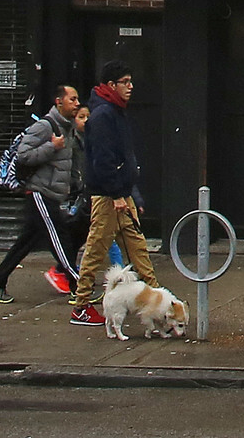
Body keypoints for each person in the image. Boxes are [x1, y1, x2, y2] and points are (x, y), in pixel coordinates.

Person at [69, 62, 163, 325]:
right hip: (108, 197)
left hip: (121, 194)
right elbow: (103, 161)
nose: (131, 86)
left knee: (137, 247)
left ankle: (156, 296)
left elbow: (122, 159)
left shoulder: (115, 112)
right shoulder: (103, 116)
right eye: (125, 81)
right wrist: (117, 194)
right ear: (112, 85)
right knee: (97, 248)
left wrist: (130, 193)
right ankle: (82, 305)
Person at [0, 83, 88, 302]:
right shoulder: (46, 127)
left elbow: (67, 164)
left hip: (52, 194)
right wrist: (51, 147)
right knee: (61, 242)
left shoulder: (68, 128)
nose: (77, 104)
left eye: (77, 100)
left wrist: (75, 185)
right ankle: (80, 288)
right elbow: (23, 156)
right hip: (40, 193)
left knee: (25, 243)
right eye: (72, 99)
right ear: (59, 102)